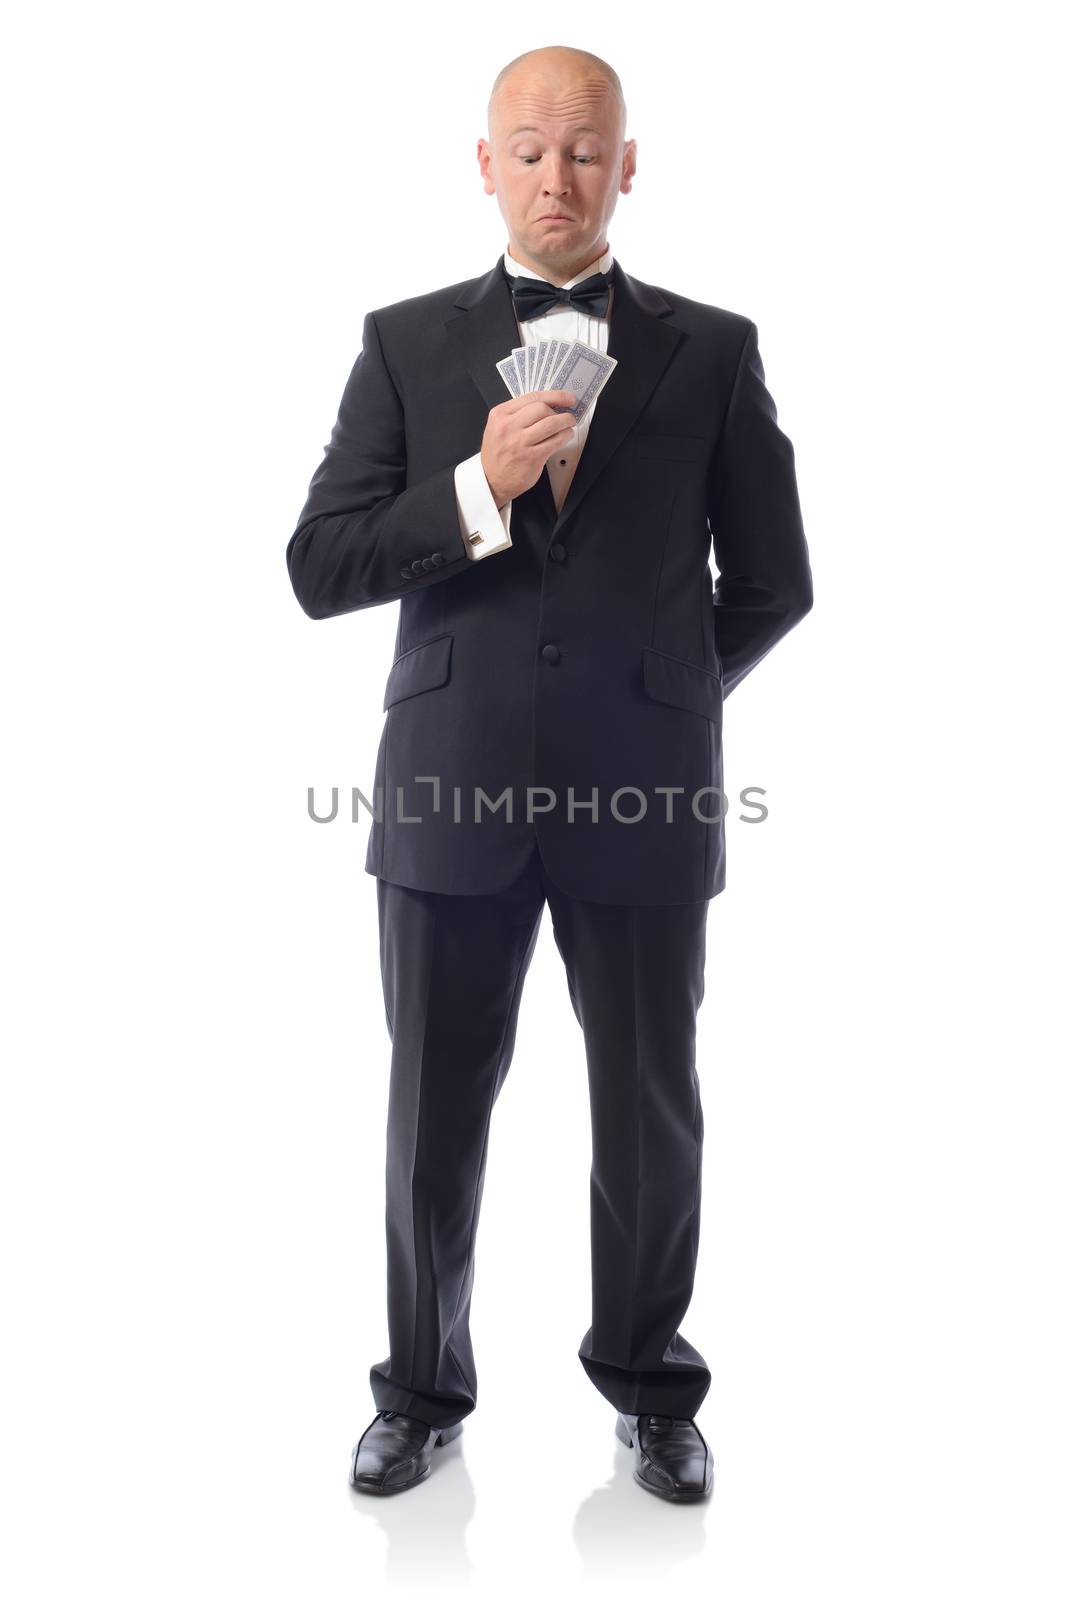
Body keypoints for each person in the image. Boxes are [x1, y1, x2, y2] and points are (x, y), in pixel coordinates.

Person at [286, 43, 812, 1502]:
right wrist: (476, 492)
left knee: (650, 1105)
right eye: (529, 148)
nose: (557, 175)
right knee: (429, 1110)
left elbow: (774, 580)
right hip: (446, 792)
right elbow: (319, 566)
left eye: (585, 150)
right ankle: (419, 1392)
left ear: (628, 164)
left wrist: (668, 695)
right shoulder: (403, 342)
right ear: (484, 165)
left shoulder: (710, 348)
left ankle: (653, 1391)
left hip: (645, 795)